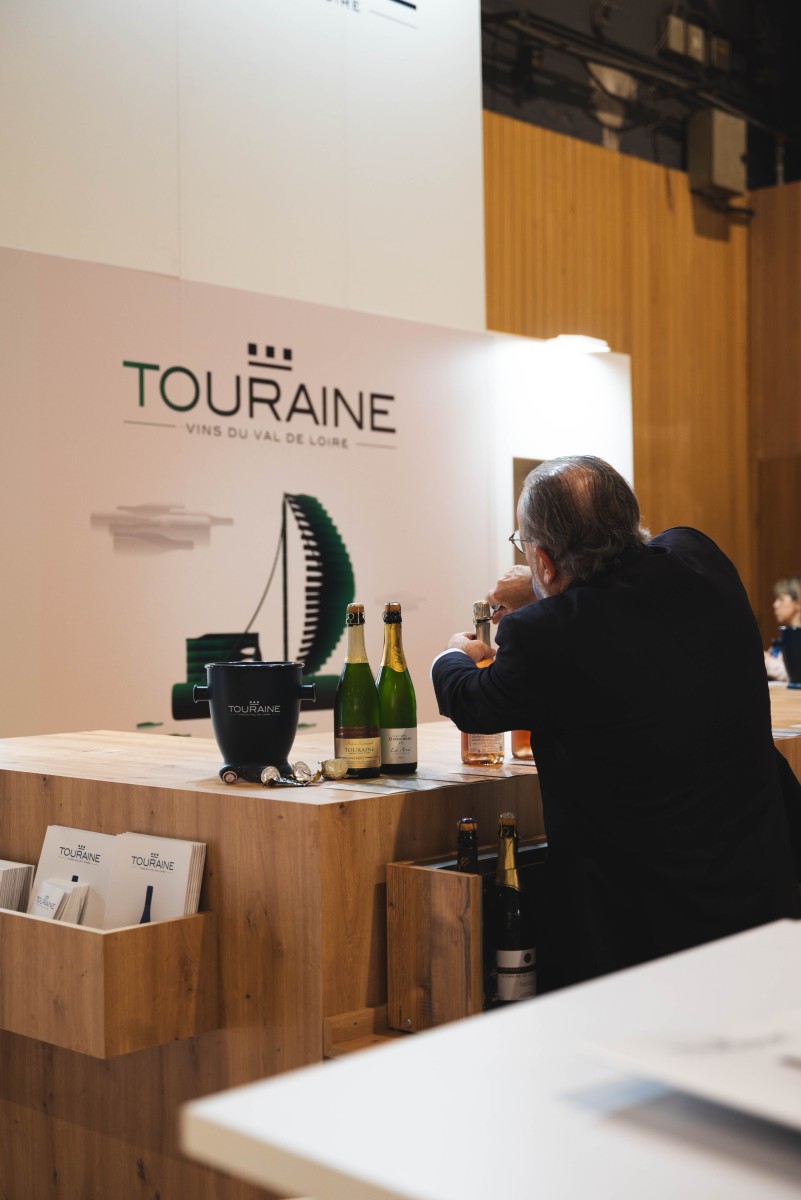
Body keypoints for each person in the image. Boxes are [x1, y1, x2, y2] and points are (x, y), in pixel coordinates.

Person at [432, 455, 800, 994]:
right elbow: (623, 598)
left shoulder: (543, 636)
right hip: (761, 892)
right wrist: (542, 589)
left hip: (647, 931)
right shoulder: (700, 556)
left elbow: (471, 701)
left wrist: (453, 653)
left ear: (543, 561)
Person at [764, 575, 801, 682]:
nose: (775, 605)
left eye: (781, 599)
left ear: (798, 604)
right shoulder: (785, 637)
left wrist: (768, 662)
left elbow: (796, 675)